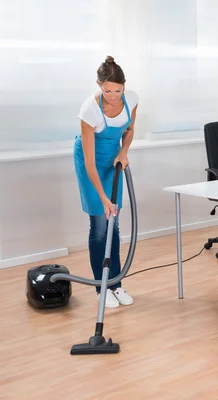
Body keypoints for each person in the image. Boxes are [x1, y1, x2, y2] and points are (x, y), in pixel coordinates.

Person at [73, 56, 139, 308]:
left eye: (118, 90)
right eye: (107, 90)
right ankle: (101, 288)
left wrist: (124, 152)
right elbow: (89, 162)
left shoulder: (131, 99)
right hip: (89, 162)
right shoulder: (89, 109)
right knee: (100, 222)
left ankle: (116, 283)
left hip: (113, 159)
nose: (113, 96)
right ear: (99, 86)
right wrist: (103, 197)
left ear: (124, 86)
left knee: (114, 223)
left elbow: (130, 130)